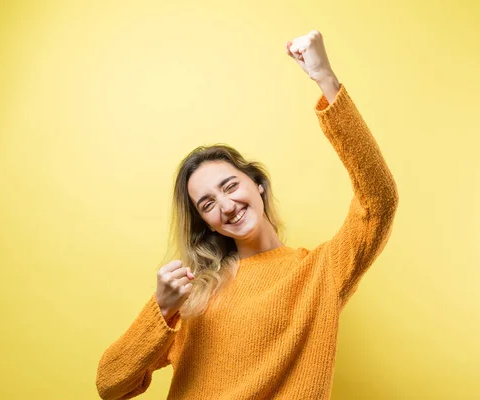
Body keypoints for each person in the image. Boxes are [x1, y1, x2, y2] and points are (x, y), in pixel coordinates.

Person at [96, 29, 399, 400]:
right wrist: (161, 309)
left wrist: (326, 79)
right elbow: (110, 385)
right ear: (205, 223)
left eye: (229, 186)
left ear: (257, 184)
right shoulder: (195, 292)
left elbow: (379, 200)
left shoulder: (320, 271)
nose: (225, 206)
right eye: (207, 204)